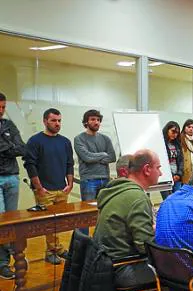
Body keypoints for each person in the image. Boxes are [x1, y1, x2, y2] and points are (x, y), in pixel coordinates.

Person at [93, 149, 172, 291]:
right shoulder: (137, 196)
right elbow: (145, 246)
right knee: (176, 279)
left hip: (102, 265)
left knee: (163, 268)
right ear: (146, 169)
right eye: (158, 167)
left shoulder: (117, 190)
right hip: (120, 269)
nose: (161, 172)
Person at [23, 108, 73, 265]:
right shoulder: (35, 141)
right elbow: (30, 165)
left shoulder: (65, 142)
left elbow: (69, 163)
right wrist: (38, 187)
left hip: (62, 188)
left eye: (59, 121)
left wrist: (70, 183)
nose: (57, 124)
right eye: (53, 120)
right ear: (45, 121)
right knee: (49, 223)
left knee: (59, 222)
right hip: (44, 190)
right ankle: (51, 251)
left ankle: (57, 248)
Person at [74, 109, 116, 234]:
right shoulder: (79, 139)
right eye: (93, 119)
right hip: (89, 180)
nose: (96, 122)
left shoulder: (105, 139)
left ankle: (101, 239)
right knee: (86, 214)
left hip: (105, 179)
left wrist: (95, 157)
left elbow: (112, 157)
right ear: (86, 122)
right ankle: (83, 241)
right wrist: (103, 154)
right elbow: (86, 157)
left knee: (105, 212)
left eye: (98, 120)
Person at [0, 92, 26, 279]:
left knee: (11, 222)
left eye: (3, 107)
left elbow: (21, 148)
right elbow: (13, 147)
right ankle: (2, 264)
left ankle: (9, 259)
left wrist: (5, 146)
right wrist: (10, 146)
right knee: (1, 222)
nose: (1, 111)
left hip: (12, 177)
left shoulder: (9, 125)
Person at [161, 121, 184, 199]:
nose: (175, 134)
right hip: (166, 177)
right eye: (173, 131)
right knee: (167, 199)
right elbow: (162, 162)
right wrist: (170, 175)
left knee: (178, 199)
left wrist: (179, 174)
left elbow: (181, 160)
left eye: (177, 133)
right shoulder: (161, 144)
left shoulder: (177, 144)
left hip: (177, 177)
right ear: (167, 130)